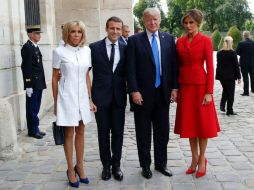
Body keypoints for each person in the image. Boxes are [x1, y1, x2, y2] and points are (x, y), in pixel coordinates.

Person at [126, 7, 178, 179]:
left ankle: (161, 164)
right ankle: (145, 166)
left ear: (160, 20)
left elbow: (173, 66)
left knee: (162, 132)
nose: (153, 22)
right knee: (143, 132)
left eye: (156, 19)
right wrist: (134, 90)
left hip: (163, 94)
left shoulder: (169, 39)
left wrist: (174, 88)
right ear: (144, 21)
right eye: (149, 19)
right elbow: (130, 68)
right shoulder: (134, 41)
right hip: (142, 96)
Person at [174, 9, 220, 178]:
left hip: (201, 88)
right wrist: (176, 89)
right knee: (189, 125)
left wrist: (209, 92)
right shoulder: (179, 42)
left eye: (191, 23)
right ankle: (193, 159)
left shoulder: (206, 41)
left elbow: (211, 67)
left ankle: (202, 159)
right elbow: (176, 66)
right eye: (186, 23)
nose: (188, 26)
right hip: (185, 87)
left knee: (202, 126)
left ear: (198, 24)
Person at [52, 20, 96, 188]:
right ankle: (70, 169)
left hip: (83, 97)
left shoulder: (87, 51)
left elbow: (86, 76)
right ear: (67, 33)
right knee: (69, 133)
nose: (76, 35)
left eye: (79, 32)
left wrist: (90, 99)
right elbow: (55, 79)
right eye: (73, 32)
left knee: (82, 131)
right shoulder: (59, 52)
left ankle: (81, 166)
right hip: (66, 97)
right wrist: (56, 102)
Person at [89, 16, 127, 181]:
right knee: (103, 133)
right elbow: (84, 72)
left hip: (119, 97)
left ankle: (116, 165)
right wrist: (89, 98)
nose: (115, 32)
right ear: (106, 28)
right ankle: (106, 165)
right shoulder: (94, 47)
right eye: (112, 28)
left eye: (118, 29)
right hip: (100, 98)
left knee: (118, 133)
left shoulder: (127, 47)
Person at [21, 26, 46, 139]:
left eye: (39, 33)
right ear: (30, 34)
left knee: (36, 107)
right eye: (36, 33)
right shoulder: (27, 47)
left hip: (38, 83)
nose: (39, 35)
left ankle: (35, 128)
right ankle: (32, 130)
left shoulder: (34, 47)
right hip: (33, 84)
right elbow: (26, 67)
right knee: (32, 107)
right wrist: (28, 85)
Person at [216, 36, 241, 115]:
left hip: (222, 76)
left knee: (226, 90)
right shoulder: (232, 53)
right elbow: (236, 66)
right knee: (230, 93)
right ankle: (229, 110)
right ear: (231, 43)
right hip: (230, 76)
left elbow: (219, 64)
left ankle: (222, 105)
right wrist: (239, 77)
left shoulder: (219, 52)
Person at [236, 31, 254, 96]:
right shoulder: (253, 43)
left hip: (243, 62)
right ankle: (253, 89)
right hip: (252, 62)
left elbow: (237, 52)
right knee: (253, 76)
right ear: (249, 35)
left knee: (245, 77)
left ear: (243, 35)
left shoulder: (241, 43)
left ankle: (246, 92)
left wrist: (243, 54)